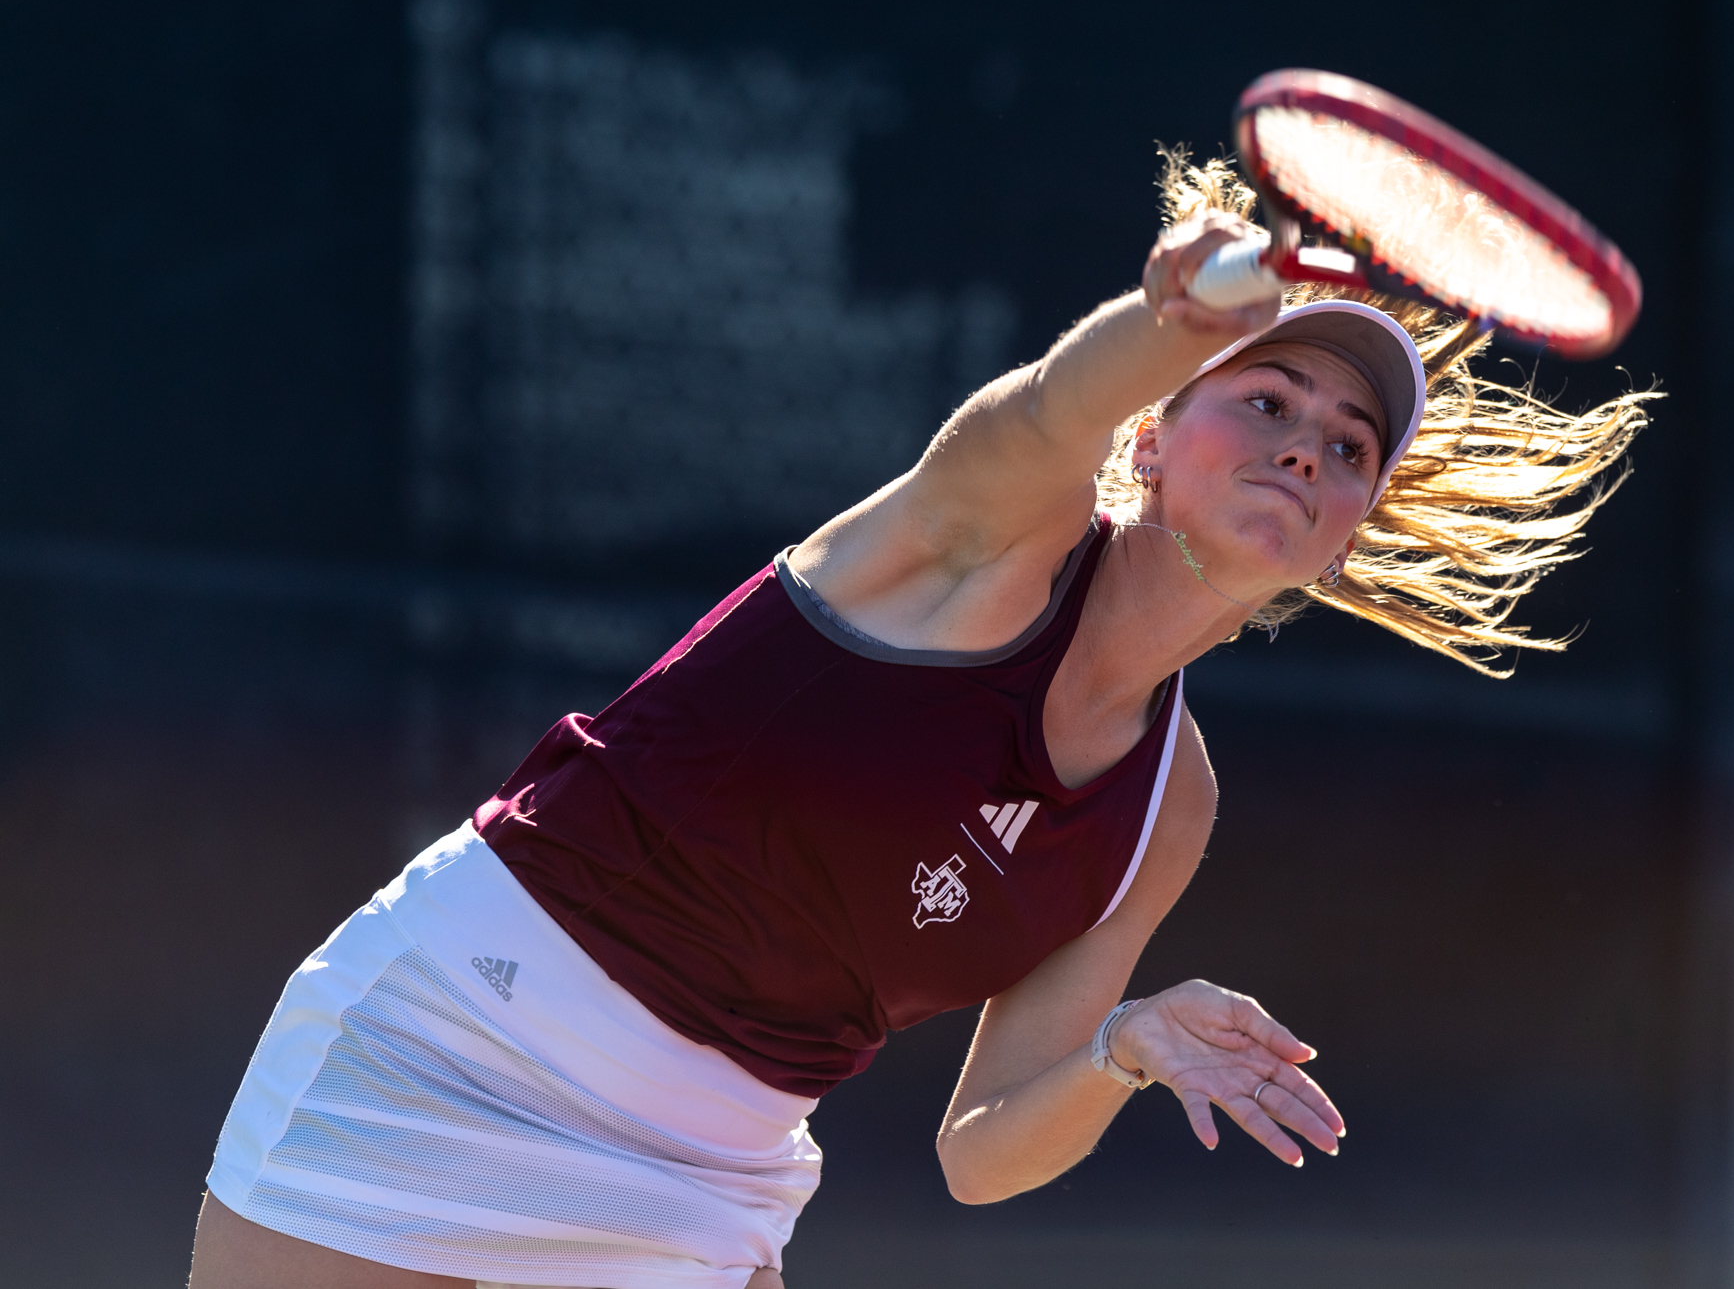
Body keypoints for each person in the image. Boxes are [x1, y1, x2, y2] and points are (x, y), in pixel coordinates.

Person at [187, 156, 1649, 1289]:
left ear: (1338, 543)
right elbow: (1038, 416)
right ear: (1154, 436)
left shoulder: (1169, 804)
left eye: (1346, 448)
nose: (1303, 445)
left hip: (708, 1165)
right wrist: (1168, 321)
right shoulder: (993, 537)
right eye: (1265, 396)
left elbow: (987, 1146)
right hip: (457, 1034)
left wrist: (1125, 1047)